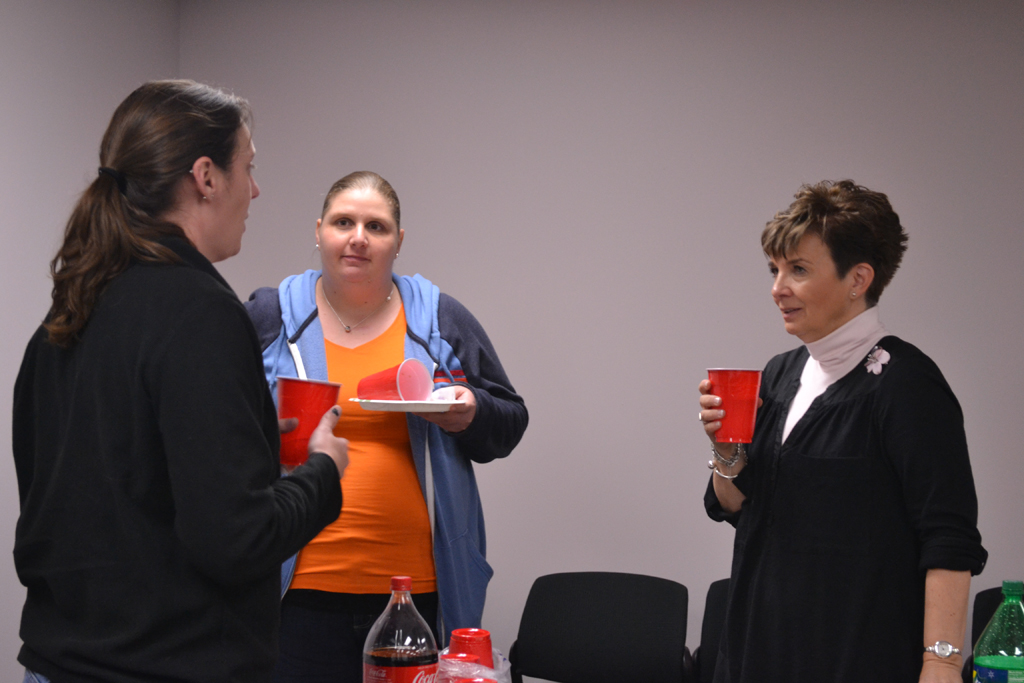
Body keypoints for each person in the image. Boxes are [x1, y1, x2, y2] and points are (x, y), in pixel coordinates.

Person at [12, 80, 350, 683]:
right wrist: (323, 471)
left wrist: (233, 441)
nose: (255, 190)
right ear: (206, 177)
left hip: (59, 662)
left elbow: (97, 487)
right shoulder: (202, 312)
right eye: (248, 167)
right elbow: (237, 541)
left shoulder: (70, 311)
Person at [697, 180, 987, 683]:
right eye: (775, 269)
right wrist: (727, 451)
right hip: (754, 652)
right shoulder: (780, 374)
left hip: (854, 659)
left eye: (799, 270)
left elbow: (948, 537)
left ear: (858, 279)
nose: (777, 288)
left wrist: (939, 664)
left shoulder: (907, 385)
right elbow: (739, 508)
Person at [245, 170, 528, 682]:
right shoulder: (270, 317)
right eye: (343, 222)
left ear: (399, 241)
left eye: (376, 226)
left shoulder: (438, 318)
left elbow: (510, 420)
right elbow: (217, 425)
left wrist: (471, 412)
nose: (358, 237)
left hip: (415, 593)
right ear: (318, 231)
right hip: (295, 593)